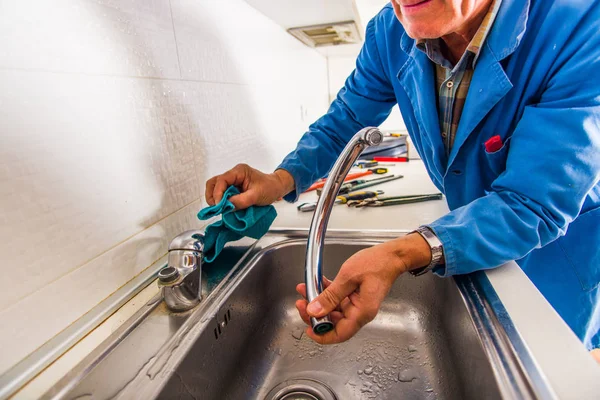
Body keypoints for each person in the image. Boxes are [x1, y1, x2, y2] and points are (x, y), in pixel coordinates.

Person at [205, 0, 600, 356]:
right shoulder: (389, 32)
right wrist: (280, 180)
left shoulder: (581, 25)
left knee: (551, 364)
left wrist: (399, 254)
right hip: (467, 231)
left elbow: (531, 203)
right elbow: (344, 122)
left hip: (560, 252)